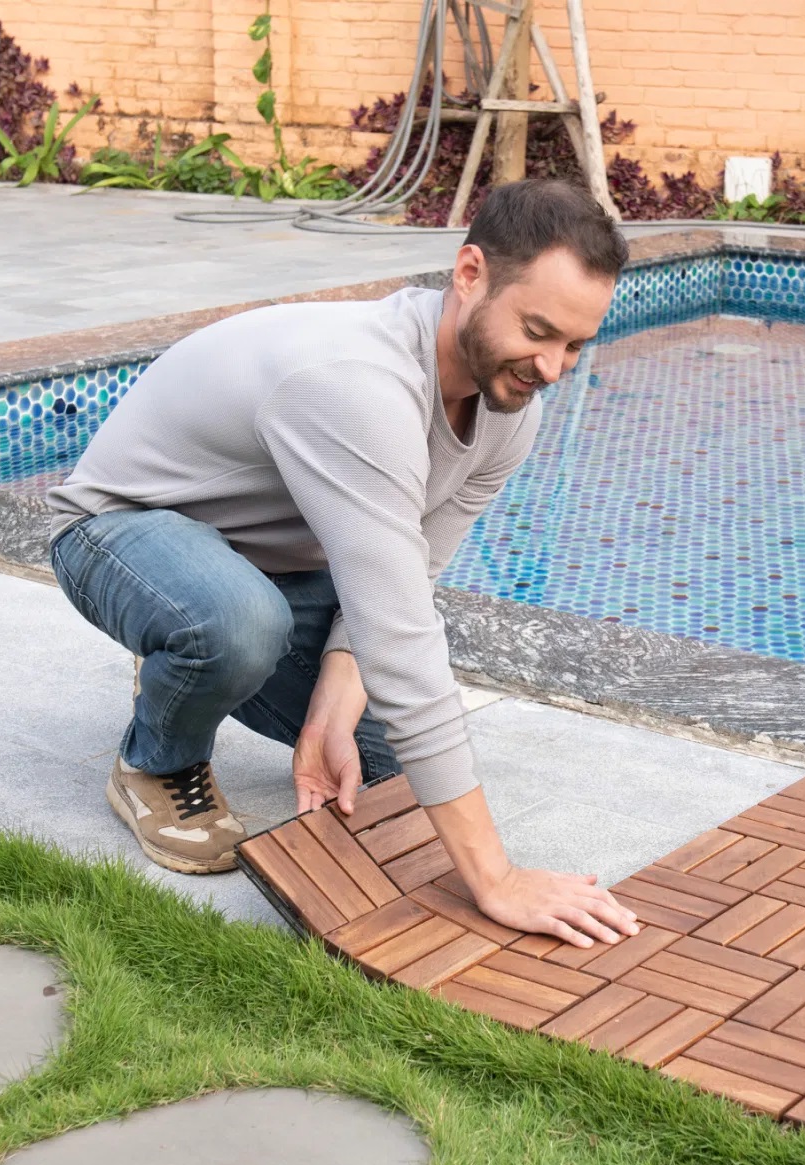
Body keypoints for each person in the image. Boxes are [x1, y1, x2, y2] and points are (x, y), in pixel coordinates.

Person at [45, 179, 640, 949]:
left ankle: (200, 650)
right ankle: (158, 759)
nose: (553, 367)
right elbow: (398, 637)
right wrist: (495, 878)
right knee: (236, 624)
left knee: (385, 763)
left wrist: (330, 709)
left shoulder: (507, 414)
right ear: (470, 274)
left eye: (575, 345)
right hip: (120, 530)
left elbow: (410, 578)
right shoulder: (357, 383)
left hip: (275, 568)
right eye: (538, 331)